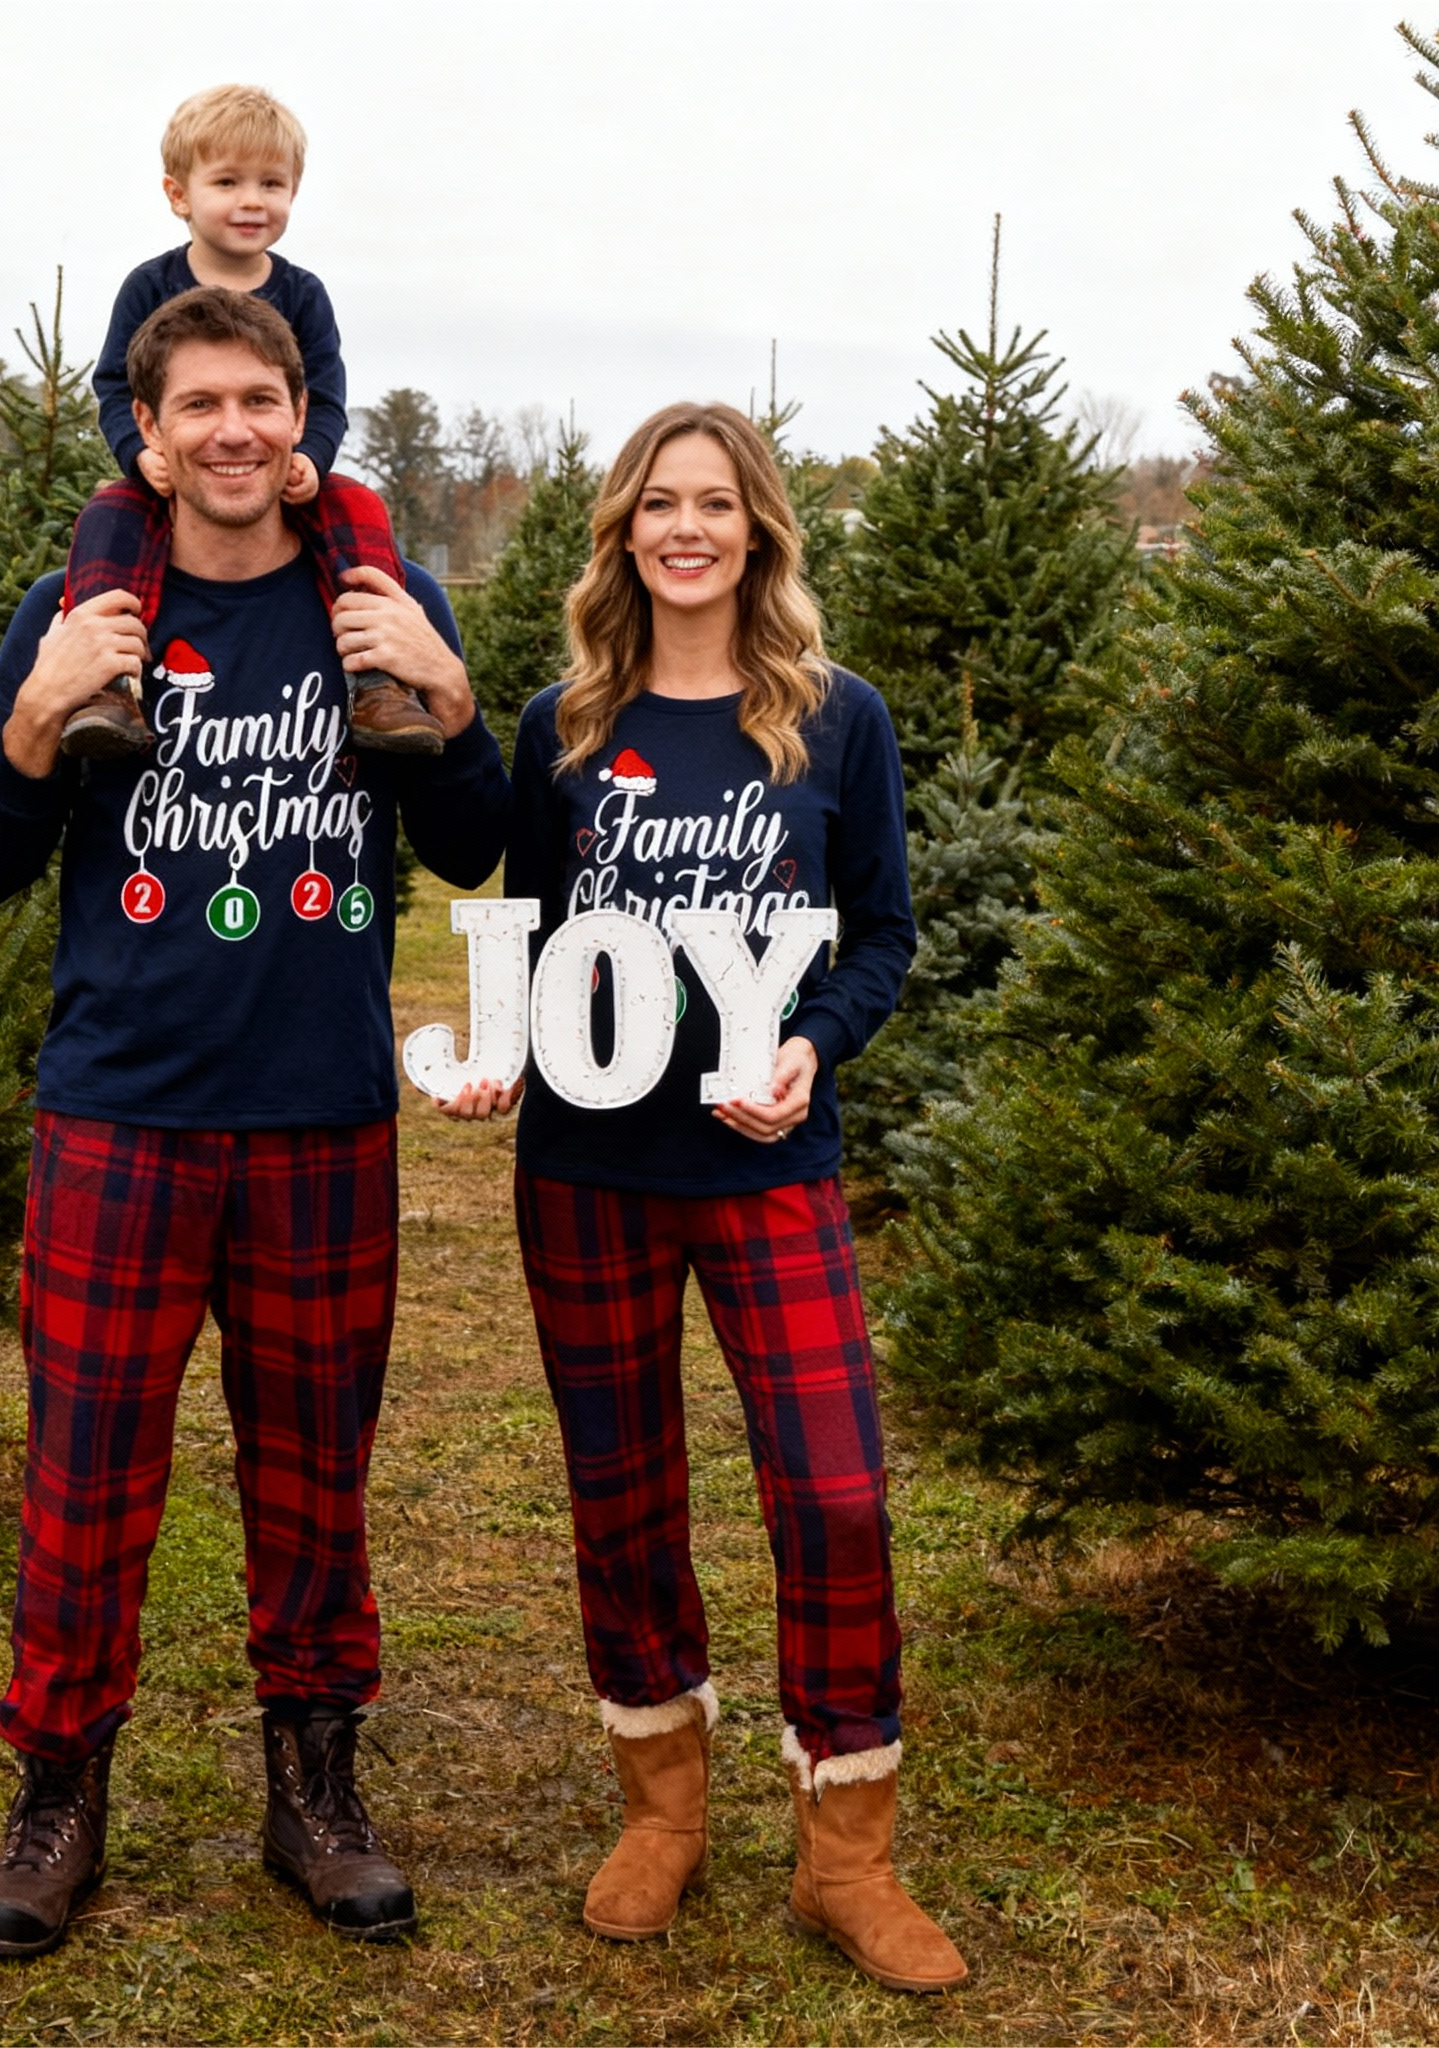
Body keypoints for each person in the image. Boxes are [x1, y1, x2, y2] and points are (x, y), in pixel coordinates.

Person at [0, 285, 509, 1961]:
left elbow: (476, 847)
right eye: (199, 405)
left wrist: (454, 703)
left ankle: (313, 1788)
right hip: (120, 1108)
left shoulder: (382, 605)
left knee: (314, 1473)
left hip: (317, 1115)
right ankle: (56, 1796)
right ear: (148, 430)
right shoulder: (80, 607)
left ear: (301, 417)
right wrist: (37, 717)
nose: (235, 430)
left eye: (261, 398)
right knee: (86, 1471)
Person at [448, 403, 966, 1994]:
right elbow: (533, 934)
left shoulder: (838, 720)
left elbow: (879, 930)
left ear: (758, 531)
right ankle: (660, 1804)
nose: (686, 529)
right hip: (592, 1175)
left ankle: (847, 1848)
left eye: (715, 504)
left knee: (834, 1494)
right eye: (657, 504)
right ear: (621, 532)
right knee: (622, 1492)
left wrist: (812, 1046)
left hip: (765, 1169)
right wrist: (503, 1057)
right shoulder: (565, 727)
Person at [66, 82, 444, 761]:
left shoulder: (302, 295)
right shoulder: (150, 287)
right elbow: (115, 383)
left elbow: (324, 395)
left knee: (356, 506)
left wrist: (314, 458)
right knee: (107, 517)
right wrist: (135, 454)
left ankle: (379, 681)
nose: (252, 201)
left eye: (272, 183)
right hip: (166, 480)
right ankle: (110, 686)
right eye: (228, 182)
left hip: (287, 478)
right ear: (178, 195)